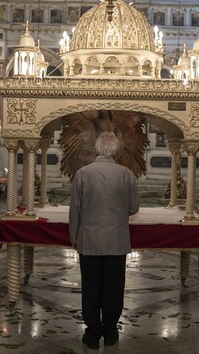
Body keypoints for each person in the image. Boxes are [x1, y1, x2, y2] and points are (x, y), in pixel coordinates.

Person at [69, 132, 139, 350]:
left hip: (89, 240)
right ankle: (110, 332)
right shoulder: (127, 174)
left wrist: (74, 238)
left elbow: (75, 211)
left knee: (90, 287)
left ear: (98, 149)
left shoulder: (82, 173)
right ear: (116, 150)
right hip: (117, 241)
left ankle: (92, 334)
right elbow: (134, 207)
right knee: (114, 288)